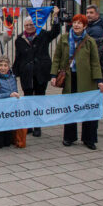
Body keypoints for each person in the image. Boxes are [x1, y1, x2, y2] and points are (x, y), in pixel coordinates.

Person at [51, 14, 103, 150]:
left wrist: (99, 80)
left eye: (80, 23)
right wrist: (53, 75)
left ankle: (89, 139)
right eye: (75, 22)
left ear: (85, 26)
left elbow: (95, 62)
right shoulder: (64, 39)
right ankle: (69, 137)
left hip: (87, 81)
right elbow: (57, 58)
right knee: (70, 108)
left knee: (87, 109)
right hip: (69, 78)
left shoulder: (89, 41)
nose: (76, 25)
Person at [12, 8, 61, 137]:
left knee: (39, 97)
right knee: (28, 98)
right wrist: (15, 72)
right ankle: (28, 124)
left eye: (31, 25)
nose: (29, 27)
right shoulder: (19, 39)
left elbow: (56, 32)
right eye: (27, 25)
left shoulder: (43, 34)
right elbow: (18, 57)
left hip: (41, 72)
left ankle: (37, 125)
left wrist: (55, 16)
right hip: (26, 73)